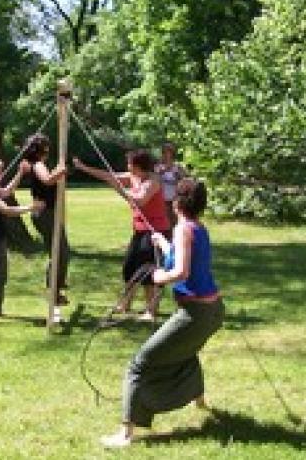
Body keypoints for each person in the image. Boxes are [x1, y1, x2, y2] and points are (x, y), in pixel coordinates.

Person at [100, 178, 224, 448]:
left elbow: (181, 272)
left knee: (138, 364)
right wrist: (163, 244)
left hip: (196, 313)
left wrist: (159, 276)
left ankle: (125, 435)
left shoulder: (182, 229)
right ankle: (200, 402)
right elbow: (184, 256)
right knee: (184, 351)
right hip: (214, 311)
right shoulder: (198, 227)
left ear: (177, 203)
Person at [74, 149, 171, 321]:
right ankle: (126, 304)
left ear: (139, 166)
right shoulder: (134, 176)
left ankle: (150, 311)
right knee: (129, 268)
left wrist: (119, 189)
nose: (127, 166)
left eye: (130, 164)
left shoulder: (152, 180)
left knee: (149, 271)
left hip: (155, 231)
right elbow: (108, 175)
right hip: (140, 231)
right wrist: (84, 168)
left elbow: (140, 200)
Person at [0, 157, 40, 324]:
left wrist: (20, 172)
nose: (1, 173)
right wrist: (30, 207)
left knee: (1, 276)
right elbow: (8, 210)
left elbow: (8, 191)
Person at [23, 133, 70, 305]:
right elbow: (48, 180)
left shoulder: (37, 164)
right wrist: (61, 170)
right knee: (60, 252)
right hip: (45, 214)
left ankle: (56, 288)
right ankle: (54, 291)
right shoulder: (38, 165)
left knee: (60, 251)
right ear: (42, 149)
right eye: (46, 146)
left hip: (48, 213)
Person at [155, 142, 186, 227]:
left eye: (169, 152)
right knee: (164, 221)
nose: (167, 154)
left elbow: (184, 181)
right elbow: (154, 180)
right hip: (162, 198)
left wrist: (178, 176)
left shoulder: (178, 167)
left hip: (175, 198)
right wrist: (160, 173)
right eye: (165, 152)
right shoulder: (158, 167)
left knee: (175, 220)